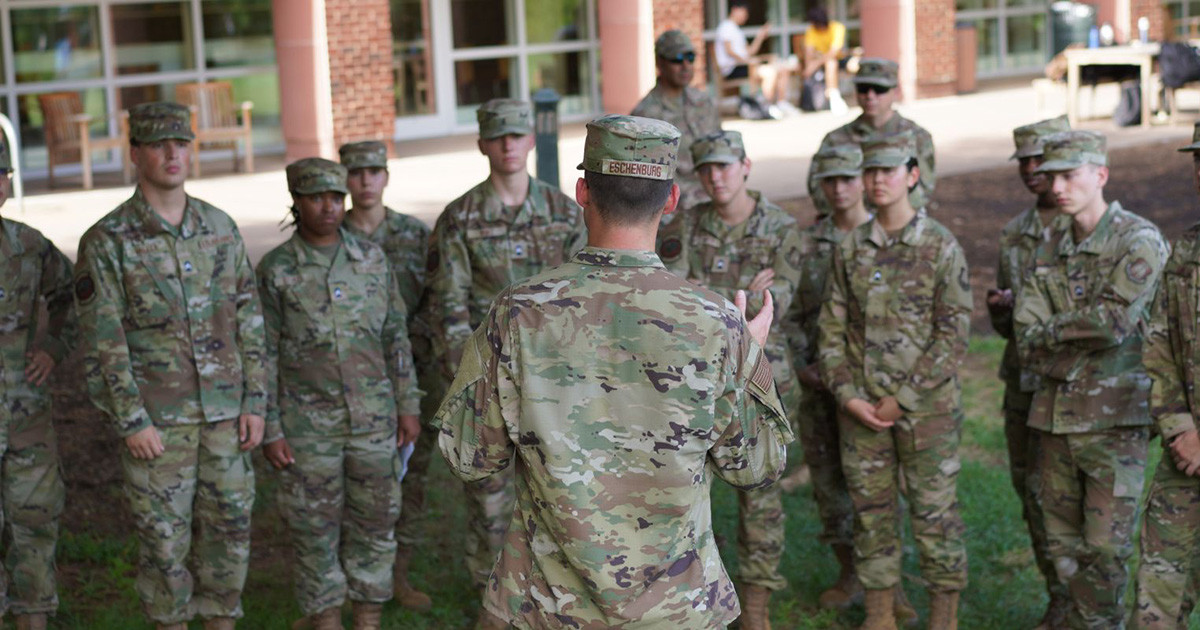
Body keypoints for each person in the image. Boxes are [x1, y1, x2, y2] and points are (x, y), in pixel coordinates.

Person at [434, 113, 793, 630]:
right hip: (676, 612)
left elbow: (469, 456)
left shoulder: (516, 313)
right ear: (670, 201)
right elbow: (756, 466)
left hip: (544, 608)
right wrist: (750, 355)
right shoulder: (718, 323)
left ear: (582, 191)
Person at [74, 102, 267, 630]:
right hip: (158, 428)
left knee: (229, 535)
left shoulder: (220, 228)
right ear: (135, 153)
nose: (172, 153)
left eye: (181, 142)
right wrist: (131, 419)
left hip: (227, 419)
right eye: (159, 144)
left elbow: (248, 320)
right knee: (163, 547)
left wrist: (255, 402)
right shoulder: (108, 241)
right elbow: (101, 342)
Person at [423, 98, 587, 609]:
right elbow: (447, 310)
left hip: (556, 386)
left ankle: (558, 603)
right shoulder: (461, 218)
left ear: (531, 141)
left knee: (560, 495)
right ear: (482, 145)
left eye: (517, 135)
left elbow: (584, 299)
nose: (509, 145)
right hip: (489, 381)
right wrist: (470, 385)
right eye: (498, 137)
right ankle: (494, 607)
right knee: (489, 502)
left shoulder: (563, 213)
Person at [1014, 130, 1168, 630]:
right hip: (1055, 419)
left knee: (1105, 547)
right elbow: (1023, 336)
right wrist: (1073, 336)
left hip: (1113, 423)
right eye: (1051, 175)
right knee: (1062, 544)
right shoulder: (1048, 243)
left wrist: (1054, 332)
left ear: (1100, 175)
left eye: (1070, 174)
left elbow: (1113, 324)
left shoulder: (1138, 240)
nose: (1057, 185)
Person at [258, 158, 420, 630]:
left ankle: (367, 618)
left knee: (375, 524)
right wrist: (271, 427)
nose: (328, 208)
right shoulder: (276, 271)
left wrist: (408, 404)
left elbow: (395, 336)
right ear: (297, 202)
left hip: (374, 421)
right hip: (308, 429)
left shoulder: (371, 259)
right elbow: (262, 353)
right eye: (315, 198)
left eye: (335, 198)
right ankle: (326, 619)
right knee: (314, 532)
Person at [818, 131, 970, 630]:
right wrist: (847, 397)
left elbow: (952, 335)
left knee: (935, 516)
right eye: (870, 171)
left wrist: (903, 399)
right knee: (872, 516)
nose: (878, 180)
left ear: (912, 175)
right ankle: (880, 616)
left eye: (889, 170)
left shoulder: (939, 246)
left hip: (927, 412)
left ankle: (943, 618)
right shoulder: (849, 248)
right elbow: (832, 331)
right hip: (862, 412)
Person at [655, 130, 801, 630]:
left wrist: (708, 294)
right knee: (687, 491)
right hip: (693, 382)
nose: (716, 176)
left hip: (761, 381)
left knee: (760, 494)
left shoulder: (781, 228)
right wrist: (734, 294)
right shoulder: (685, 226)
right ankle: (689, 597)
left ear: (745, 166)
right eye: (706, 168)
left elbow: (778, 303)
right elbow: (672, 298)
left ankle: (756, 606)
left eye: (724, 165)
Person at [337, 140, 435, 611]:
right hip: (348, 382)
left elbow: (433, 302)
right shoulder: (330, 235)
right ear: (345, 178)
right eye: (356, 172)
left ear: (386, 176)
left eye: (374, 171)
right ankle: (343, 587)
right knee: (348, 484)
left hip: (410, 374)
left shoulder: (414, 234)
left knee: (410, 478)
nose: (366, 181)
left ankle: (399, 578)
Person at [986, 115, 1071, 630]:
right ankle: (1059, 597)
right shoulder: (1015, 233)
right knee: (1032, 495)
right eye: (1024, 162)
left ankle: (1088, 601)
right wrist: (1000, 308)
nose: (1032, 170)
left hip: (1073, 391)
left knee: (1073, 498)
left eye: (1040, 159)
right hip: (1023, 385)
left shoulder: (1082, 224)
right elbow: (1006, 325)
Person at [793, 143, 871, 612]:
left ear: (862, 181)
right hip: (820, 389)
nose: (839, 189)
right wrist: (806, 365)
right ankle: (849, 572)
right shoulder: (809, 244)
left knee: (876, 490)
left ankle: (888, 586)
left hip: (869, 391)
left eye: (847, 178)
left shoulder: (885, 237)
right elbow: (795, 315)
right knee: (830, 487)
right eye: (830, 180)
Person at [0, 138, 72, 630]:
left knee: (34, 524)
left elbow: (77, 296)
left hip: (25, 419)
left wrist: (55, 349)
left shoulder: (28, 245)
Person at [1133, 122, 1200, 630]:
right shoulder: (1187, 254)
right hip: (1188, 461)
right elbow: (1159, 346)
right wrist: (1180, 428)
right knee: (1156, 606)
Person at [807, 58, 935, 216]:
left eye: (879, 89)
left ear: (896, 92)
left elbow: (922, 191)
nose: (870, 95)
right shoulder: (835, 139)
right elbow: (818, 189)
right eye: (863, 88)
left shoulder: (917, 137)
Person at [631, 29, 722, 215]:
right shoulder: (644, 117)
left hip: (714, 200)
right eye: (677, 59)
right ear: (660, 62)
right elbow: (644, 181)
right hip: (674, 211)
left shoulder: (704, 102)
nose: (686, 66)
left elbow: (721, 152)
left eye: (690, 57)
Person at [715, 0, 797, 117]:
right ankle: (766, 107)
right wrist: (747, 61)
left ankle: (781, 103)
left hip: (745, 65)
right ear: (735, 10)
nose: (746, 16)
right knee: (770, 72)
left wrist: (760, 36)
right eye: (744, 13)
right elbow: (729, 51)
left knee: (782, 69)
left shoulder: (737, 30)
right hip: (733, 69)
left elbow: (750, 51)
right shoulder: (726, 27)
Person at [801, 5, 849, 114]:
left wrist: (815, 64)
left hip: (839, 60)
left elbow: (834, 52)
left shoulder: (837, 28)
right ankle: (833, 96)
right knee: (830, 64)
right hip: (821, 63)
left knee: (833, 63)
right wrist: (809, 67)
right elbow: (809, 53)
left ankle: (834, 95)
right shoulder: (811, 31)